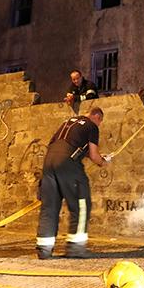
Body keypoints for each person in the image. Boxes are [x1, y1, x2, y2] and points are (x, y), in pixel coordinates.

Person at [36, 107, 108, 259]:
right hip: (68, 163)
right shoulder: (92, 125)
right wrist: (103, 162)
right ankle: (75, 248)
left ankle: (44, 249)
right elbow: (94, 155)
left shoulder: (67, 123)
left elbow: (68, 145)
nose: (99, 124)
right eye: (100, 121)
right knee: (81, 204)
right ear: (97, 116)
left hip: (49, 162)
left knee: (49, 207)